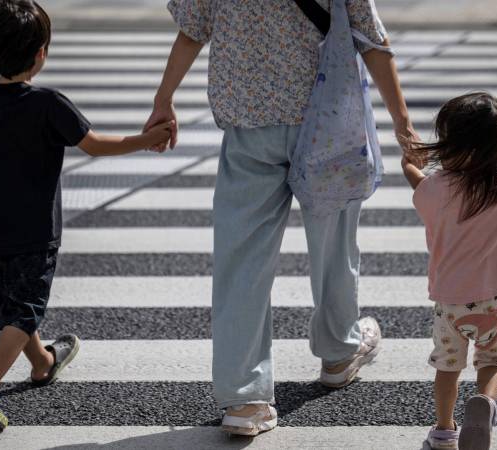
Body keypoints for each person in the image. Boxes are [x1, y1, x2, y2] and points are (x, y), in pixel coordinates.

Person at [144, 0, 420, 435]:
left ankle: (245, 397)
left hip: (250, 124)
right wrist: (404, 126)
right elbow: (371, 39)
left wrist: (164, 97)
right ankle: (339, 350)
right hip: (327, 121)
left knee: (242, 260)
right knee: (334, 245)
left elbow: (193, 29)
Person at [0, 0, 172, 430]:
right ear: (40, 53)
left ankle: (43, 362)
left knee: (15, 302)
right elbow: (94, 145)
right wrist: (145, 140)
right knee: (24, 307)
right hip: (37, 231)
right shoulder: (48, 103)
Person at [402, 92, 497, 450]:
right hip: (493, 295)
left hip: (449, 301)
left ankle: (445, 430)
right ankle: (487, 403)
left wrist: (410, 164)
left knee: (447, 366)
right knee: (493, 360)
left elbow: (420, 184)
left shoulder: (438, 187)